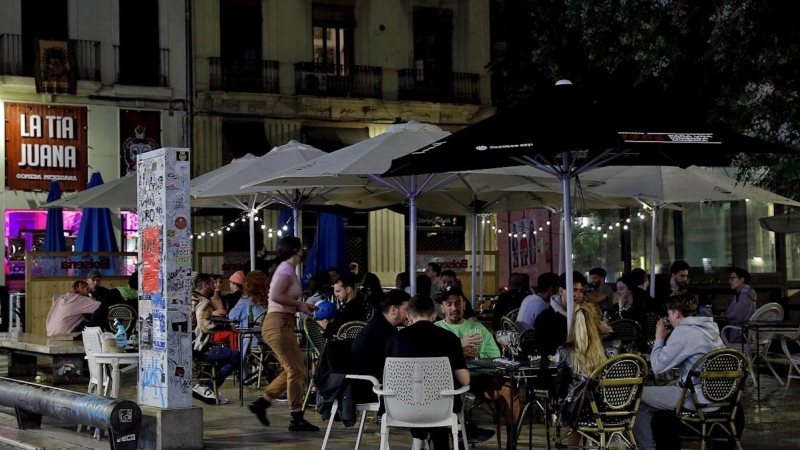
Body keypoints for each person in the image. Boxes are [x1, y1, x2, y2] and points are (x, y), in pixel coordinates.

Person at [632, 293, 724, 450]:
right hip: (719, 396)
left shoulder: (684, 332)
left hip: (696, 398)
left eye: (668, 313)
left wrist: (659, 337)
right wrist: (676, 382)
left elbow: (658, 366)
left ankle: (648, 448)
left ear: (676, 313)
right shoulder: (711, 328)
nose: (668, 316)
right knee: (662, 390)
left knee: (635, 396)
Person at [249, 236, 319, 431]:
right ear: (297, 249)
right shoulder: (286, 269)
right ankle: (296, 417)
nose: (304, 251)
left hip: (282, 322)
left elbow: (281, 299)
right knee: (296, 369)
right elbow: (275, 296)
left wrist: (301, 306)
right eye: (303, 247)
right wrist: (299, 304)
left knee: (293, 368)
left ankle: (263, 402)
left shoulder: (288, 269)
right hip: (278, 323)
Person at [387, 295, 470, 450]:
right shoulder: (449, 338)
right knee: (438, 398)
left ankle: (419, 439)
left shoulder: (395, 339)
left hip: (403, 408)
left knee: (421, 394)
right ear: (434, 315)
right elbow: (464, 380)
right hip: (441, 409)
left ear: (408, 316)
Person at [436, 287, 513, 445]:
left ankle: (511, 443)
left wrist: (476, 356)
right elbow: (431, 360)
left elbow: (495, 358)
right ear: (442, 307)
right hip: (449, 383)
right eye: (449, 304)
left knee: (510, 389)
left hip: (479, 379)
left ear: (464, 304)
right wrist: (458, 348)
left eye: (458, 303)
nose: (454, 308)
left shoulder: (478, 329)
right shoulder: (436, 329)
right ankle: (463, 431)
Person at [555, 303, 615, 444]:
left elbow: (561, 387)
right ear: (599, 322)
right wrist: (611, 334)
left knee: (577, 404)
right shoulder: (614, 345)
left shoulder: (566, 351)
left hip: (579, 411)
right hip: (614, 408)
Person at [350, 289, 410, 400]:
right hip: (369, 386)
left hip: (368, 381)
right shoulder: (382, 332)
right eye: (407, 309)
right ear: (393, 310)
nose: (410, 314)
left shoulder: (379, 324)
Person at [192, 274, 240, 405]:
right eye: (213, 284)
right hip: (200, 348)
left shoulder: (189, 298)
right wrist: (227, 326)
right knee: (236, 356)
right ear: (205, 285)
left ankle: (205, 385)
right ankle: (207, 387)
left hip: (188, 347)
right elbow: (205, 327)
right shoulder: (204, 302)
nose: (216, 287)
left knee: (220, 354)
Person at [229, 270, 270, 386]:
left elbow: (232, 316)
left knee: (242, 339)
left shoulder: (245, 301)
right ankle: (264, 370)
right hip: (269, 340)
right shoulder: (269, 300)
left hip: (253, 341)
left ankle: (244, 377)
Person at [322, 274, 368, 339]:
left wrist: (327, 326)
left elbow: (340, 329)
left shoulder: (351, 308)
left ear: (348, 289)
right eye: (335, 292)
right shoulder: (357, 304)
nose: (336, 295)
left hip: (344, 344)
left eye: (338, 291)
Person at [724, 267, 757, 343]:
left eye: (732, 278)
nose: (730, 281)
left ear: (742, 280)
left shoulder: (745, 295)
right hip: (740, 331)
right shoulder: (740, 294)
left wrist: (726, 316)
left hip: (739, 334)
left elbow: (736, 316)